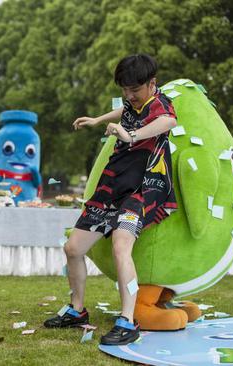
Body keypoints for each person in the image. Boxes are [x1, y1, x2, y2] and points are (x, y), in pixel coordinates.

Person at [44, 54, 178, 345]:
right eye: (124, 90)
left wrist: (130, 136)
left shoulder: (162, 104)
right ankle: (77, 311)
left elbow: (166, 122)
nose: (129, 95)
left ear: (152, 83)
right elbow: (125, 112)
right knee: (73, 248)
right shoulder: (132, 100)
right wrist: (98, 120)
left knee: (121, 245)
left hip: (143, 186)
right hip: (113, 183)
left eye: (135, 90)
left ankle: (128, 321)